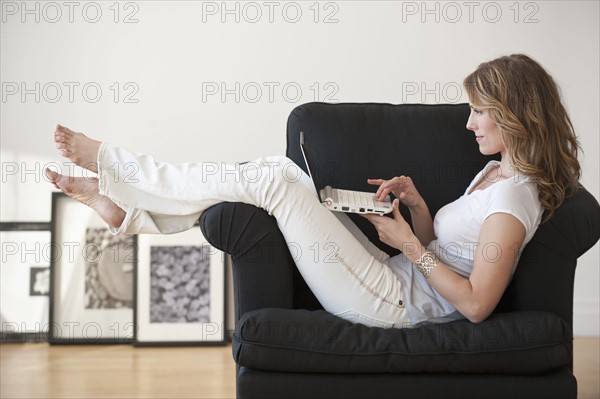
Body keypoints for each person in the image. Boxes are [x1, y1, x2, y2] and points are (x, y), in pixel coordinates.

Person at [46, 54, 581, 328]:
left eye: (480, 112)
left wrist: (408, 245)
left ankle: (122, 172)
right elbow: (453, 254)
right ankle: (129, 210)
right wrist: (419, 211)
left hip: (392, 303)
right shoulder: (496, 176)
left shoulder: (514, 200)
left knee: (273, 178)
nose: (469, 124)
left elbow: (476, 305)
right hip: (391, 279)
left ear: (515, 115)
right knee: (278, 179)